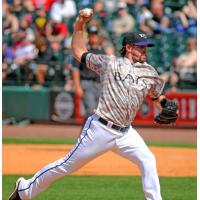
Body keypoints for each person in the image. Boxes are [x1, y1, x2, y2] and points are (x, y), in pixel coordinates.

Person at [9, 8, 169, 200]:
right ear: (129, 48)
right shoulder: (110, 63)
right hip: (101, 129)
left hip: (126, 132)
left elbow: (156, 94)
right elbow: (78, 52)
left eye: (146, 47)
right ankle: (25, 189)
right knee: (65, 165)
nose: (145, 50)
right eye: (141, 46)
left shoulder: (149, 71)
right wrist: (79, 24)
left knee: (148, 160)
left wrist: (166, 104)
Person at [72, 25, 105, 120]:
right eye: (91, 35)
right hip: (87, 83)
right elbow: (75, 69)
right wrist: (77, 86)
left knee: (100, 113)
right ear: (88, 37)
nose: (93, 37)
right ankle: (86, 134)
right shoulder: (83, 51)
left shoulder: (102, 51)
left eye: (95, 35)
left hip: (99, 84)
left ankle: (91, 134)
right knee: (90, 110)